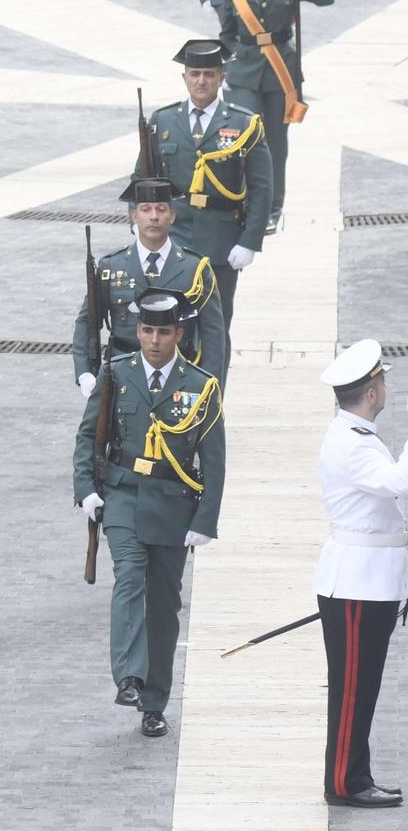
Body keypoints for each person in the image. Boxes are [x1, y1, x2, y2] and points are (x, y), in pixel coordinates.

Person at [72, 289, 226, 740]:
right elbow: (88, 436)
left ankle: (154, 703)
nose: (154, 340)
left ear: (179, 333)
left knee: (164, 606)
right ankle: (129, 677)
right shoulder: (116, 373)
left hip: (173, 505)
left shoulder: (200, 386)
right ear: (137, 331)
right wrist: (86, 489)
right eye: (146, 330)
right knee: (129, 575)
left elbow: (214, 460)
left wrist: (205, 521)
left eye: (163, 331)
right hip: (122, 494)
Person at [313, 340, 407, 808]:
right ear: (371, 392)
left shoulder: (358, 437)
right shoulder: (353, 444)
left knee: (362, 685)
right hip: (356, 584)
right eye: (383, 381)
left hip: (371, 580)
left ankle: (355, 774)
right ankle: (345, 783)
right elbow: (397, 484)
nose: (386, 388)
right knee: (352, 689)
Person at [212, 0, 332, 231]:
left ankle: (272, 209)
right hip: (244, 74)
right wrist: (228, 63)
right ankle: (246, 202)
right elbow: (227, 33)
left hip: (280, 70)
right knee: (246, 138)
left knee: (276, 143)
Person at [147, 39, 271, 324]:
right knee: (169, 323)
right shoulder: (163, 121)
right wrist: (140, 223)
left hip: (221, 239)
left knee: (214, 324)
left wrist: (250, 241)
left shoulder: (244, 124)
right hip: (173, 236)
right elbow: (144, 176)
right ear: (184, 78)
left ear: (222, 78)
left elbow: (262, 188)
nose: (201, 81)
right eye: (194, 74)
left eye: (209, 74)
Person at [74, 175, 228, 388]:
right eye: (146, 209)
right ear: (134, 216)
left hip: (178, 377)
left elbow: (213, 334)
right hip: (122, 378)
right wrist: (84, 373)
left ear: (172, 216)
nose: (154, 217)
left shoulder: (195, 269)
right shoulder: (112, 266)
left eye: (161, 209)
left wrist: (210, 385)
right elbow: (87, 321)